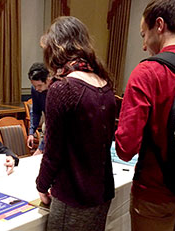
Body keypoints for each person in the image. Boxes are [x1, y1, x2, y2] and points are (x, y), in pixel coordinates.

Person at [115, 0, 175, 230]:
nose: (144, 45)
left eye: (143, 35)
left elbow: (125, 149)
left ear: (159, 25)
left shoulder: (147, 72)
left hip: (154, 193)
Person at [36, 16, 116, 231]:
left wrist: (42, 186)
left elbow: (53, 151)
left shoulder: (63, 88)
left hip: (74, 195)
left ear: (55, 48)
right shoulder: (105, 85)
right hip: (102, 190)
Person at [26, 62, 50, 155]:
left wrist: (40, 148)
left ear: (48, 80)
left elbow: (54, 122)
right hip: (47, 124)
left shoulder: (56, 90)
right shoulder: (35, 89)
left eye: (39, 85)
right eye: (34, 85)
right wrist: (31, 132)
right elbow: (35, 111)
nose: (36, 89)